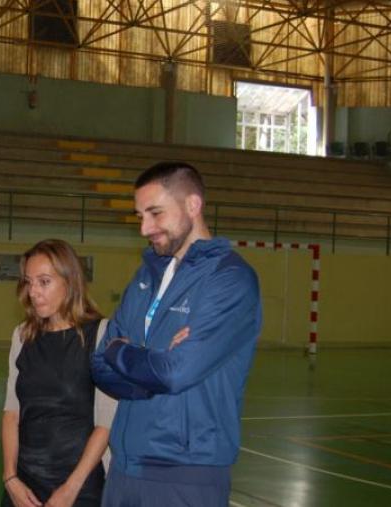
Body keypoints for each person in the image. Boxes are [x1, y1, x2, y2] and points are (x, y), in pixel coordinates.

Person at [91, 162, 262, 506]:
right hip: (123, 469)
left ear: (193, 205)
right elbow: (99, 365)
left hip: (185, 474)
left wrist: (123, 354)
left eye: (155, 213)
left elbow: (176, 371)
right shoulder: (145, 276)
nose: (144, 228)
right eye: (140, 215)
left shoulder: (230, 280)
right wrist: (148, 367)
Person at [2, 239, 117, 507]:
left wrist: (70, 489)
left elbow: (106, 423)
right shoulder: (22, 335)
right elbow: (11, 412)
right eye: (29, 282)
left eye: (44, 282)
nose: (33, 292)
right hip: (25, 483)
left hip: (80, 483)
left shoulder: (101, 334)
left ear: (70, 281)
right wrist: (10, 478)